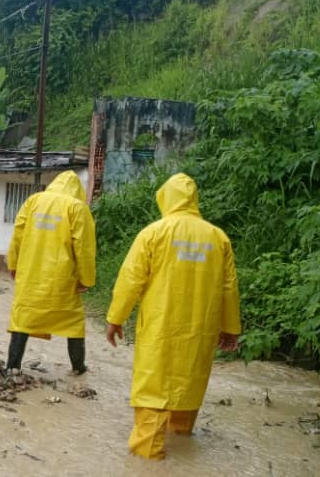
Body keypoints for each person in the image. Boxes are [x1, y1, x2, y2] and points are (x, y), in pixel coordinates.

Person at [105, 173, 241, 460]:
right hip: (200, 330)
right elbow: (229, 288)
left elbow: (131, 280)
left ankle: (148, 458)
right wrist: (230, 328)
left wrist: (116, 318)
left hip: (161, 328)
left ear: (165, 198)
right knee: (188, 383)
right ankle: (180, 438)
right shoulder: (218, 238)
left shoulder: (153, 233)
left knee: (155, 387)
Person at [5, 170, 96, 375]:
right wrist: (87, 279)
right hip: (61, 280)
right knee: (73, 322)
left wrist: (13, 264)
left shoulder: (33, 201)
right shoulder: (77, 208)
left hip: (31, 276)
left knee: (23, 319)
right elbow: (84, 248)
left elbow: (17, 235)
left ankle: (12, 366)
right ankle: (78, 367)